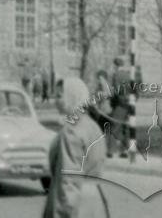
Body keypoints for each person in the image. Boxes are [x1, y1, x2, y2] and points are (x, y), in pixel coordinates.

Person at [43, 77, 107, 218]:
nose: (55, 101)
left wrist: (63, 212)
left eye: (60, 95)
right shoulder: (92, 125)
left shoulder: (72, 130)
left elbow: (68, 180)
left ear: (72, 96)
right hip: (94, 202)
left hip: (76, 205)